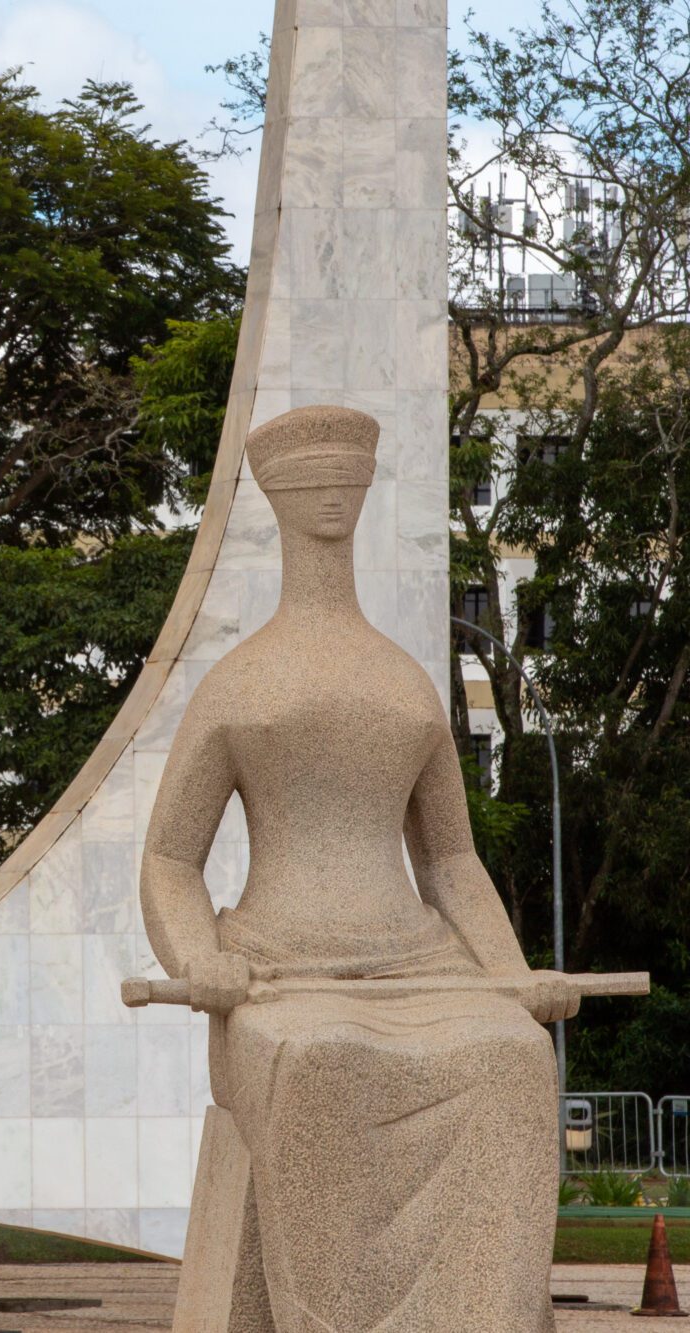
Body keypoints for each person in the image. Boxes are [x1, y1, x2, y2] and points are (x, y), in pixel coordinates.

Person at [139, 405, 579, 1331]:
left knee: (513, 1057)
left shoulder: (405, 681)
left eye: (348, 474)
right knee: (322, 1061)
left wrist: (509, 975)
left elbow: (451, 861)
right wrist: (199, 958)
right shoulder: (238, 683)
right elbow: (171, 859)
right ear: (277, 497)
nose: (332, 489)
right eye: (311, 477)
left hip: (417, 964)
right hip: (279, 969)